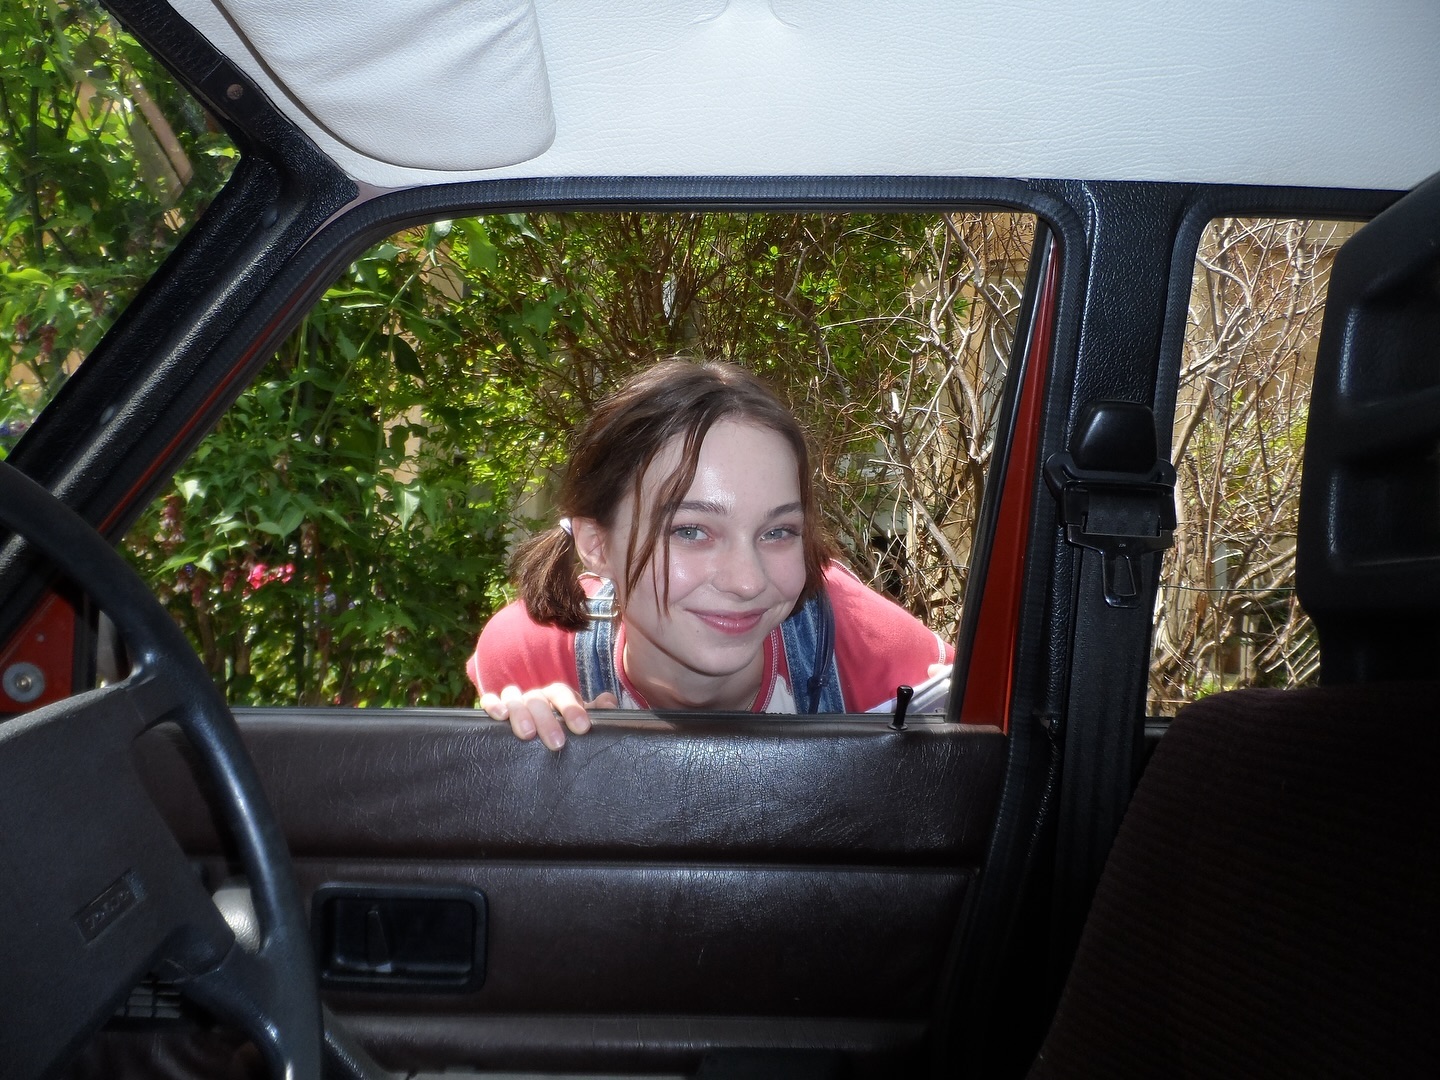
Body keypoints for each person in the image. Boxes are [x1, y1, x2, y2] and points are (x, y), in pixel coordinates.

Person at [468, 359, 953, 749]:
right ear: (596, 544)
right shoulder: (532, 658)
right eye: (691, 531)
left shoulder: (863, 645)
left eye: (778, 532)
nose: (747, 581)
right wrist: (529, 761)